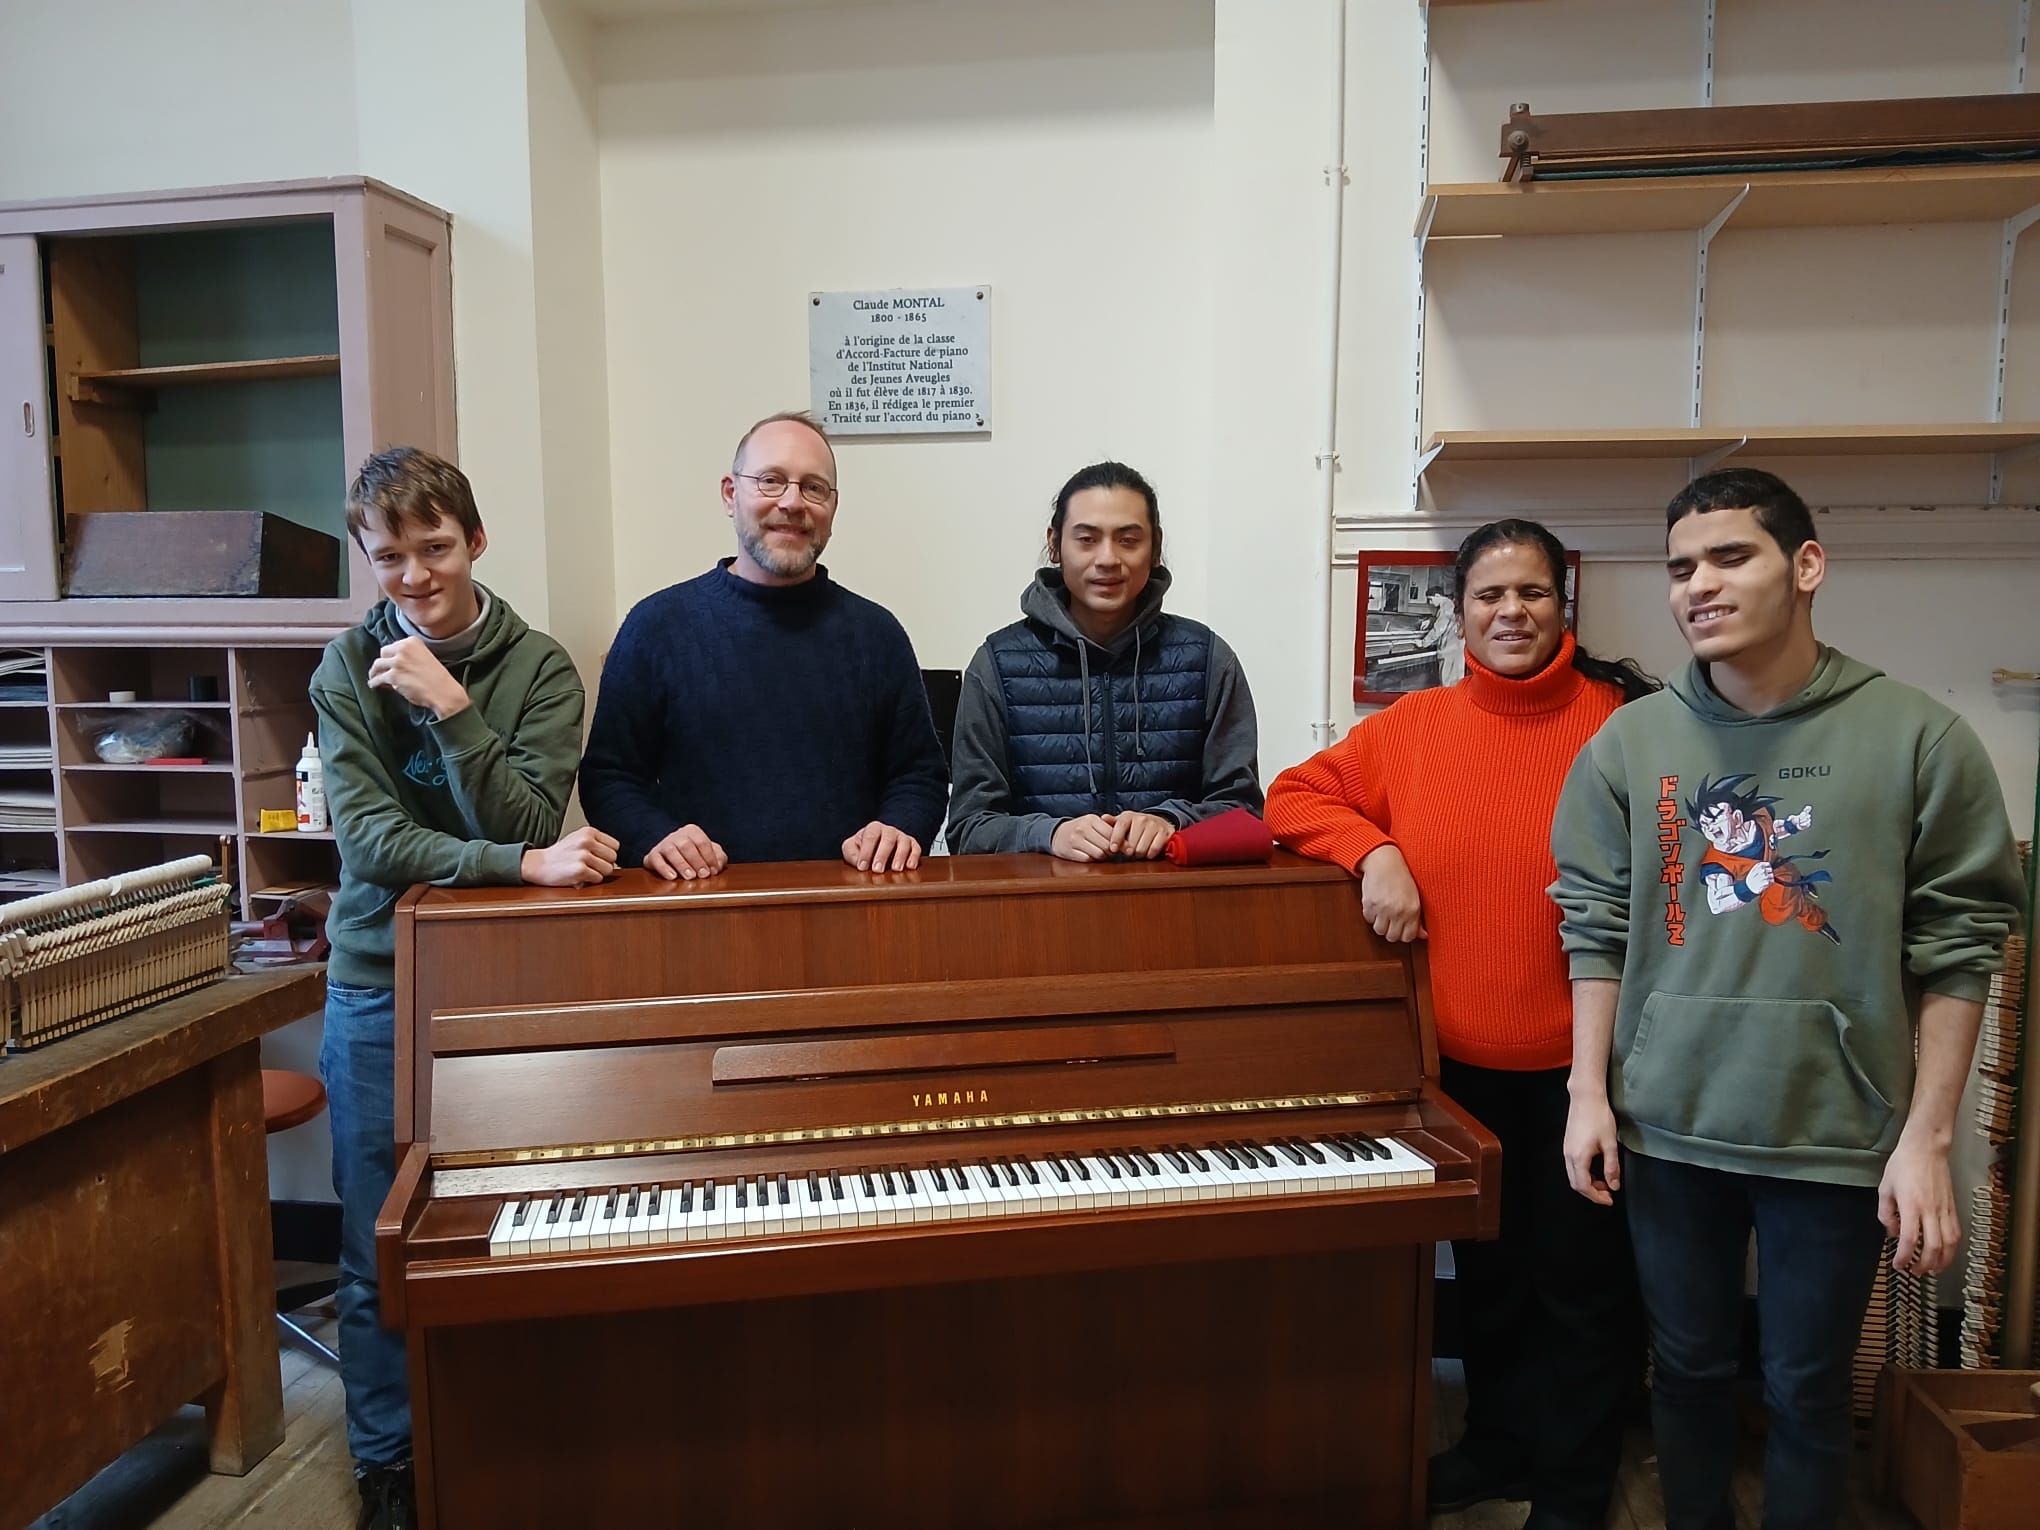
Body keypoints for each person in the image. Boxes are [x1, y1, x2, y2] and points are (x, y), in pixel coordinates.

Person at [1551, 467, 2026, 1530]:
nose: (1698, 587)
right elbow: (1592, 925)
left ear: (1806, 566)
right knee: (1683, 1372)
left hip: (1837, 1131)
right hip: (1669, 1124)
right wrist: (1590, 1091)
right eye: (1681, 568)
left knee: (1810, 1392)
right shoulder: (1629, 744)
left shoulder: (1916, 737)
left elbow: (1961, 947)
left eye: (1731, 557)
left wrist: (1927, 1138)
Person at [1265, 518, 1654, 1530]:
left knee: (1580, 1289)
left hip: (1588, 1074)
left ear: (1562, 604)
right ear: (1460, 612)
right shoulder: (1412, 727)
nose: (1511, 612)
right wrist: (1370, 851)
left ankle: (1572, 1492)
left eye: (1531, 593)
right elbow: (1292, 796)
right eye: (1490, 596)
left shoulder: (1625, 725)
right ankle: (1497, 1446)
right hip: (1460, 1066)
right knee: (1486, 1278)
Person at [312, 447, 615, 1530]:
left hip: (499, 985)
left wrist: (449, 705)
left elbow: (533, 820)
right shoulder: (345, 668)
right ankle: (388, 1463)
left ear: (475, 542)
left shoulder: (538, 667)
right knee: (374, 1242)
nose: (414, 577)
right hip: (376, 982)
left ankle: (510, 1433)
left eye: (434, 548)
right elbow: (374, 844)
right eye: (388, 556)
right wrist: (515, 869)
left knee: (505, 1218)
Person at [580, 411, 946, 876]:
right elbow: (610, 777)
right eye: (770, 480)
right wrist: (654, 837)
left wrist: (898, 826)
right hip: (699, 910)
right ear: (731, 495)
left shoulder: (878, 635)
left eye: (813, 487)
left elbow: (920, 776)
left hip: (852, 908)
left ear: (833, 509)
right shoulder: (656, 626)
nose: (793, 502)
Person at [945, 462, 1262, 859]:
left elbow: (1244, 812)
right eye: (1087, 540)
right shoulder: (996, 665)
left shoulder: (1208, 659)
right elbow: (968, 827)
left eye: (1128, 540)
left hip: (1175, 905)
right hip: (1039, 910)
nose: (1108, 559)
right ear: (1055, 545)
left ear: (1156, 547)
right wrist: (1050, 835)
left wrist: (1171, 821)